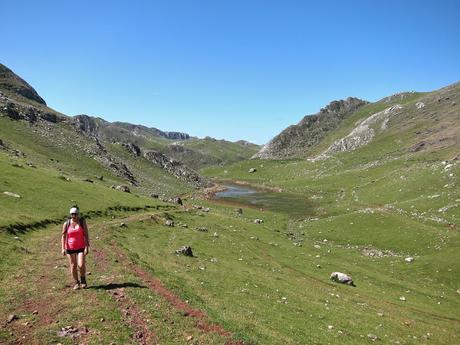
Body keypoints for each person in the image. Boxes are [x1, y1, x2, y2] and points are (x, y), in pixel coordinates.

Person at [61, 207, 90, 289]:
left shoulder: (82, 222)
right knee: (73, 265)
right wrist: (63, 248)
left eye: (76, 214)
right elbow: (63, 236)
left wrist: (87, 246)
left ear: (78, 214)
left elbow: (86, 234)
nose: (74, 216)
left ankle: (83, 279)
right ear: (70, 215)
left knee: (81, 265)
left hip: (81, 247)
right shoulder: (66, 224)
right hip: (70, 248)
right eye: (72, 214)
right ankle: (76, 282)